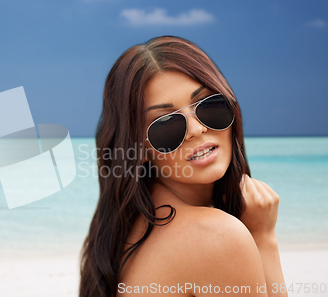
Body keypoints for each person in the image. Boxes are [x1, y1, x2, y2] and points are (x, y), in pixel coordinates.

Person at [79, 36, 287, 297]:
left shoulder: (122, 229)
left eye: (209, 105)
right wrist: (264, 238)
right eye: (165, 124)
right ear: (138, 149)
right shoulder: (216, 237)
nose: (197, 129)